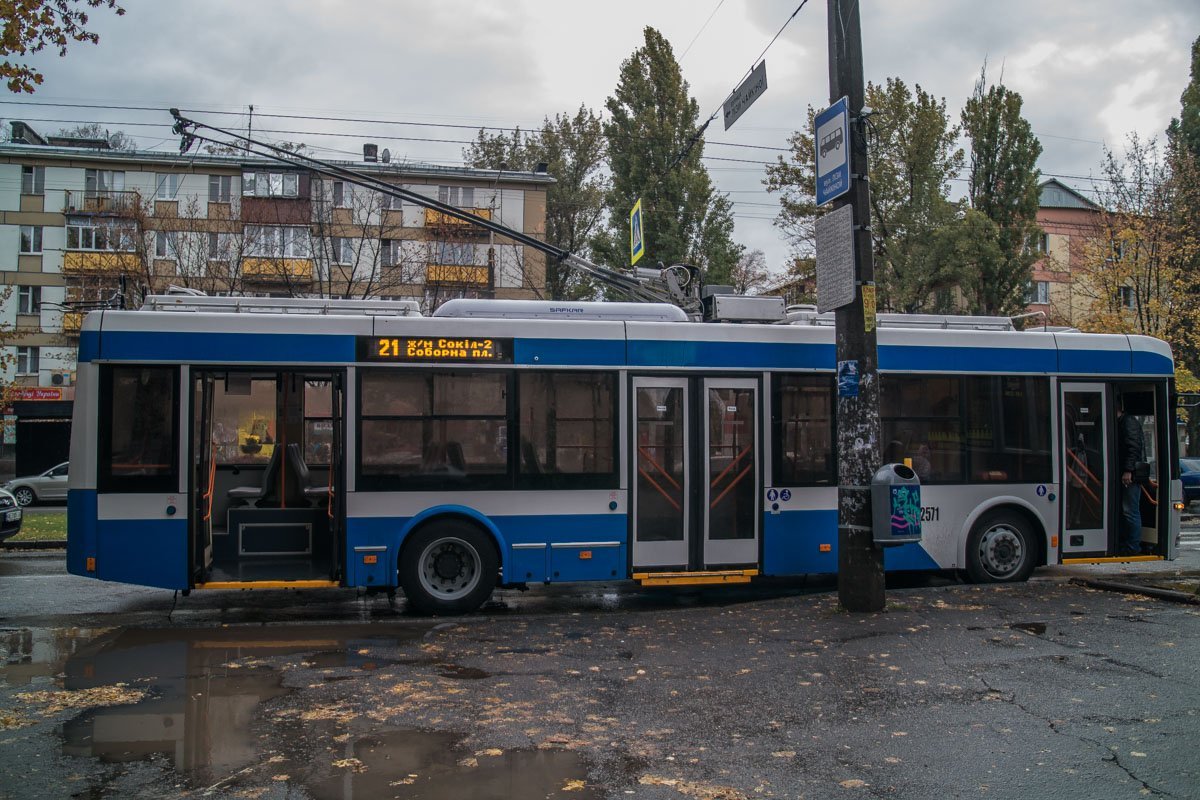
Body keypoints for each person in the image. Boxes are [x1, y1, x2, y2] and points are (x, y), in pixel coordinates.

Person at [1116, 400, 1145, 556]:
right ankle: (1128, 543)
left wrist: (1128, 470)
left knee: (1130, 510)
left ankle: (1133, 546)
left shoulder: (1128, 423)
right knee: (1126, 510)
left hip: (1130, 475)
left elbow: (1133, 448)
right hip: (1126, 473)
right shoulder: (1124, 422)